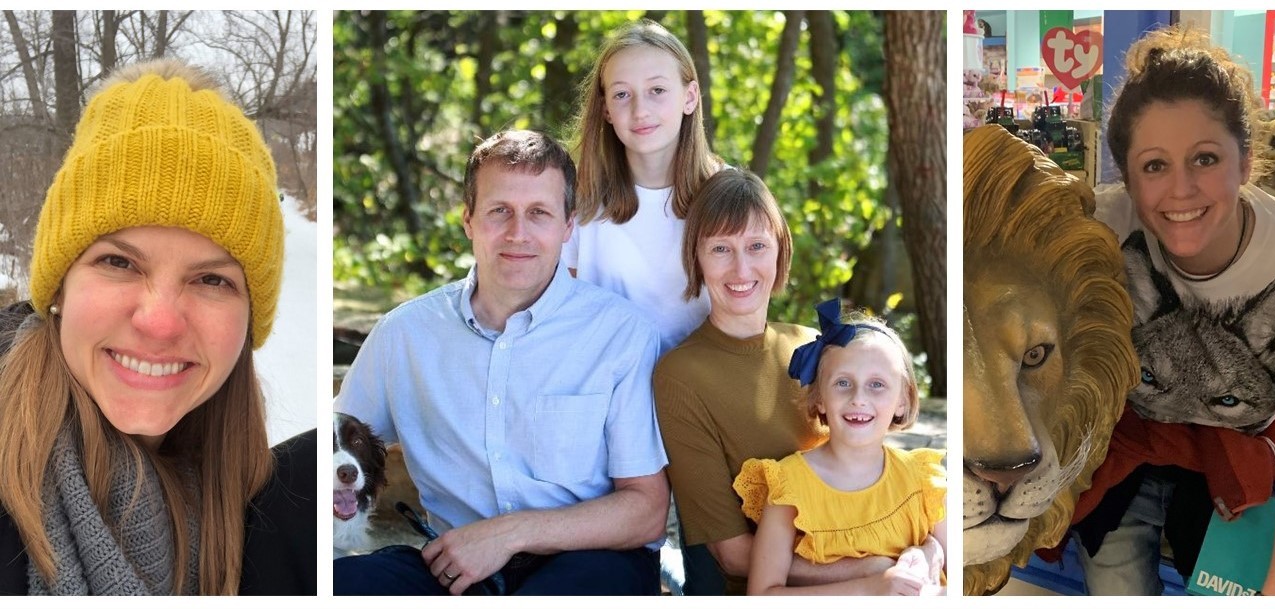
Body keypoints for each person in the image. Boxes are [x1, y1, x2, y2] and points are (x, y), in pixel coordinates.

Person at [0, 59, 315, 595]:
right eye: (119, 263)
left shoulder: (274, 508)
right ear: (58, 286)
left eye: (212, 280)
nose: (161, 321)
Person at [332, 129, 669, 596]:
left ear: (568, 225)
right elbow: (331, 455)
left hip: (589, 564)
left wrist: (509, 534)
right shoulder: (404, 335)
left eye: (539, 213)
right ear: (468, 220)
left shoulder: (621, 336)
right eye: (499, 212)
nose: (518, 233)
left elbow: (646, 509)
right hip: (452, 567)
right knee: (343, 587)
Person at [1065, 25, 1275, 595]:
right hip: (1126, 456)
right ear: (1128, 178)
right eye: (1155, 166)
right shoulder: (1097, 230)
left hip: (1244, 472)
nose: (1181, 190)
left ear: (1246, 160)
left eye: (1205, 158)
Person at [654, 170, 920, 595]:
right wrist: (868, 573)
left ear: (780, 251)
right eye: (721, 248)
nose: (741, 268)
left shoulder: (815, 346)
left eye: (757, 246)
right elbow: (732, 554)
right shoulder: (680, 376)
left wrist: (914, 554)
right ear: (697, 258)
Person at [734, 300, 946, 596]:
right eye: (843, 383)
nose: (859, 398)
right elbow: (762, 594)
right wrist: (872, 588)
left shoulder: (923, 480)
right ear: (820, 397)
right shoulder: (789, 485)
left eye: (877, 385)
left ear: (903, 400)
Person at [565, 18, 719, 354]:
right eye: (622, 94)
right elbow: (561, 314)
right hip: (607, 385)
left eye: (657, 91)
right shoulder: (579, 199)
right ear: (606, 109)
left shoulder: (726, 195)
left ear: (689, 97)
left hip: (699, 388)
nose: (640, 110)